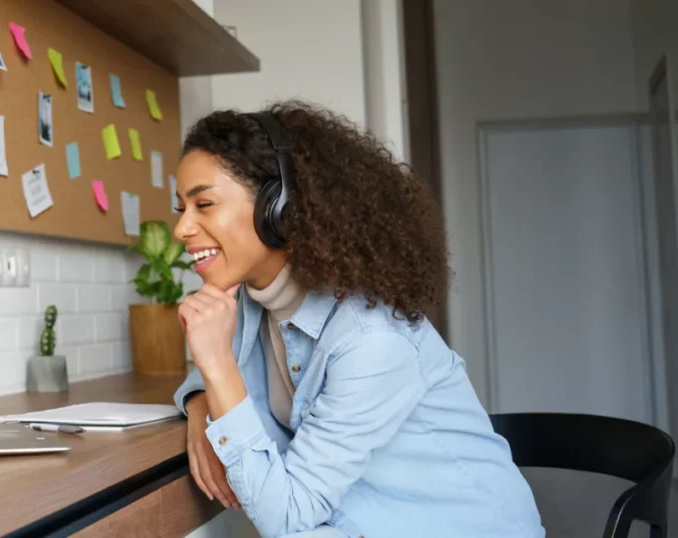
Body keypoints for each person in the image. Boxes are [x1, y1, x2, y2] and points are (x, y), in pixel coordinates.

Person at [171, 100, 544, 538]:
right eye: (182, 209)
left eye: (204, 204)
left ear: (278, 207)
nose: (181, 229)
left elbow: (286, 517)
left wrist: (218, 368)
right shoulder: (252, 303)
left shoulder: (372, 339)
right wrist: (201, 402)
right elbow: (216, 367)